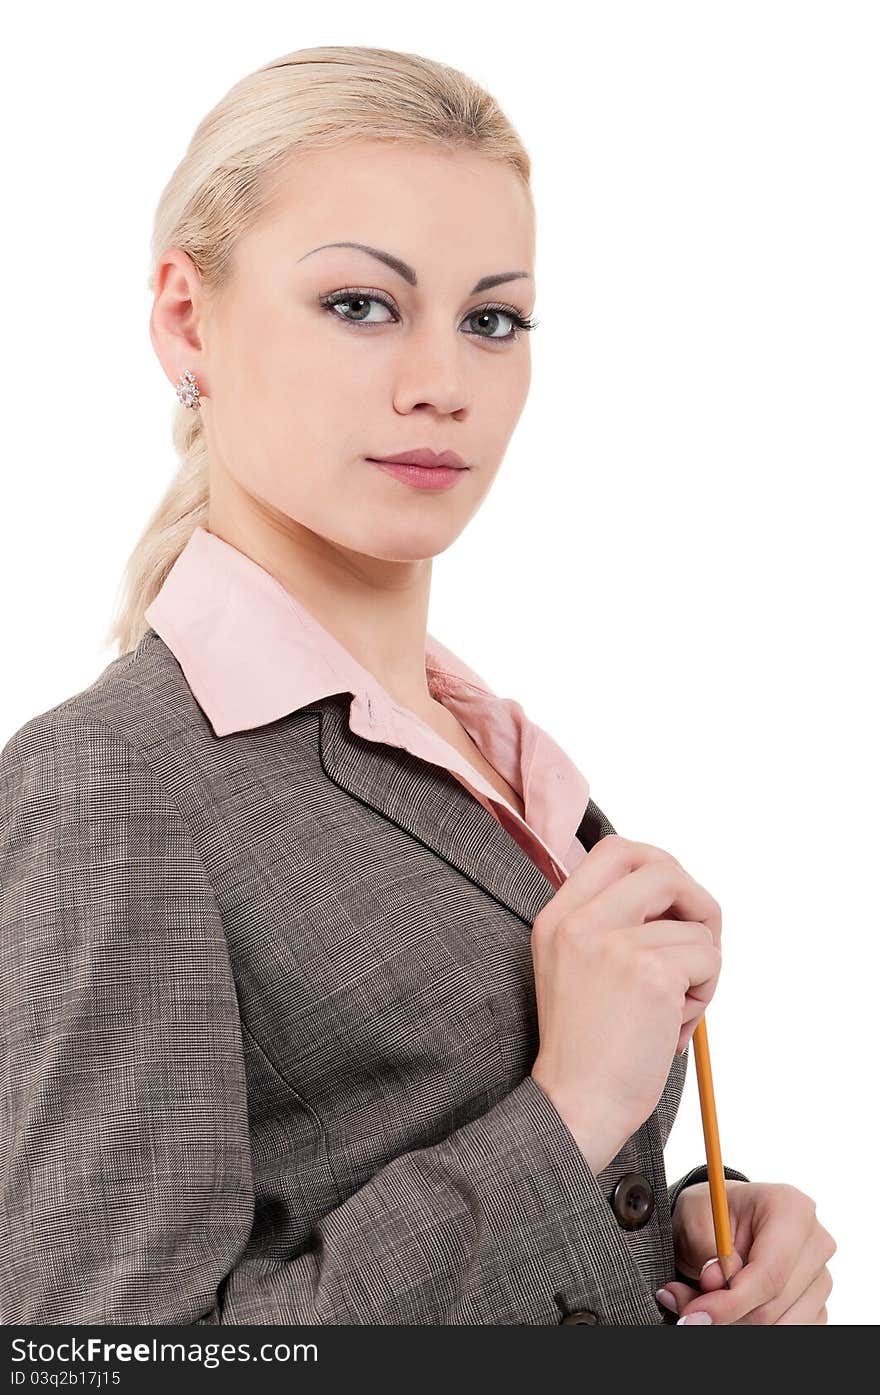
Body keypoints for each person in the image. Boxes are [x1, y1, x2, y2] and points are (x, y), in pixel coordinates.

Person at [0, 44, 835, 1326]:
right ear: (186, 317)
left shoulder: (494, 750)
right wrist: (570, 1117)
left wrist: (689, 1222)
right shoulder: (111, 784)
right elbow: (98, 1360)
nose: (443, 384)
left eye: (491, 319)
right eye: (360, 305)